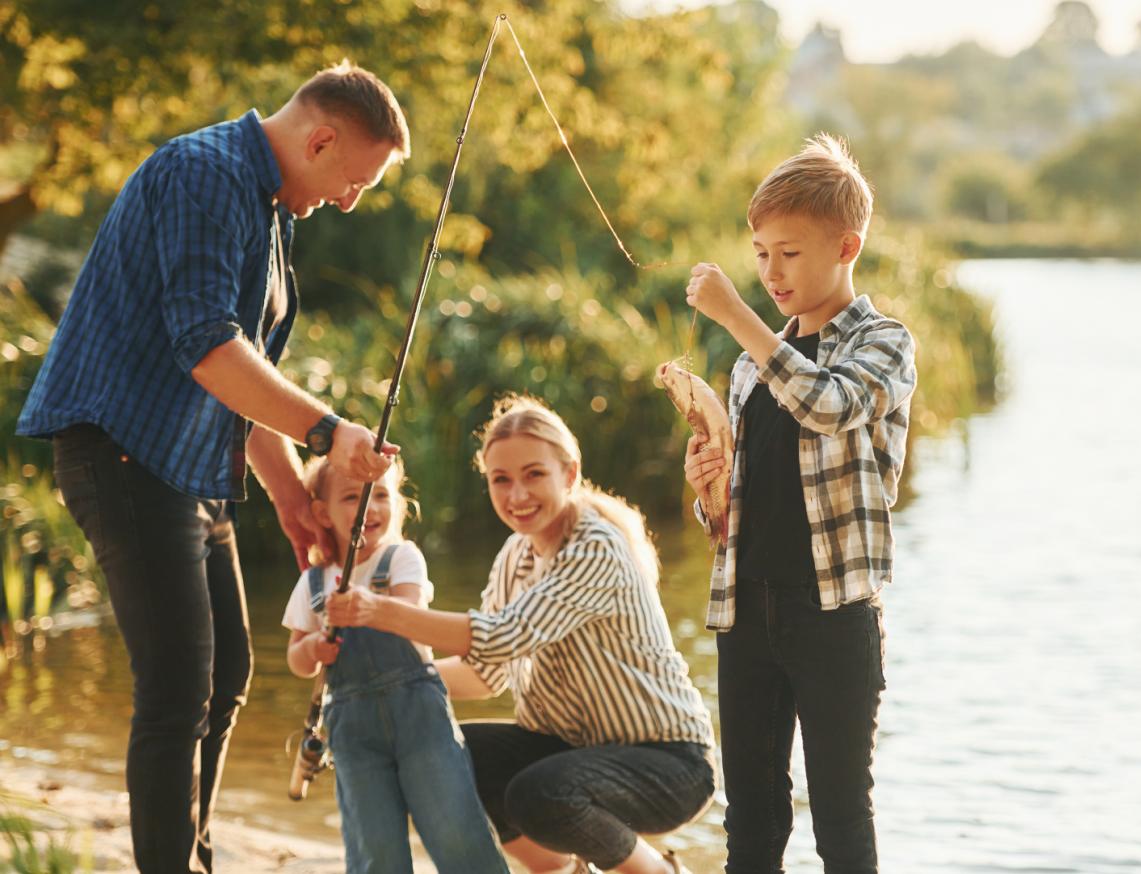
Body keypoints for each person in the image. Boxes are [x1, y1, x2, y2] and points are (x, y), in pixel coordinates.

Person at [15, 62, 410, 873]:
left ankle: (191, 856)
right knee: (176, 694)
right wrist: (330, 430)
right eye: (355, 181)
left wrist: (292, 499)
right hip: (125, 456)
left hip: (187, 468)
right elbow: (207, 346)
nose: (350, 200)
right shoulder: (207, 172)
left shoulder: (268, 206)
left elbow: (244, 375)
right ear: (321, 138)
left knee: (229, 671)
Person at [328, 395, 714, 874]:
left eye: (534, 474)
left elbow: (502, 635)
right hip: (570, 751)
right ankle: (560, 869)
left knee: (541, 793)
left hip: (669, 765)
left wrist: (377, 612)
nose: (517, 496)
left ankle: (655, 871)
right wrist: (374, 692)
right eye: (501, 480)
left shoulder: (597, 546)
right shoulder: (515, 555)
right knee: (445, 756)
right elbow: (486, 672)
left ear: (569, 474)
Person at [681, 133, 918, 873]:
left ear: (846, 246)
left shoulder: (883, 343)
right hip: (746, 609)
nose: (770, 272)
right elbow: (736, 514)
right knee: (751, 816)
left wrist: (735, 317)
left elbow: (827, 404)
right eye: (759, 253)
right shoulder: (750, 370)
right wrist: (707, 489)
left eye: (789, 252)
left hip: (834, 615)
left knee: (842, 819)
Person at [282, 457, 508, 873]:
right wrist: (314, 646)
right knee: (374, 844)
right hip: (352, 729)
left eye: (381, 495)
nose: (371, 508)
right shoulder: (312, 582)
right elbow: (297, 659)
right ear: (321, 512)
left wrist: (368, 608)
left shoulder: (402, 558)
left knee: (455, 826)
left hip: (420, 718)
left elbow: (411, 615)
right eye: (353, 497)